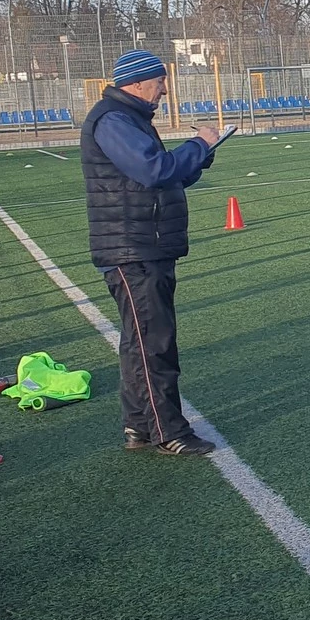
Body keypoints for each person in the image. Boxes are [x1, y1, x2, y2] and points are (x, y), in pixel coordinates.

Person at [79, 48, 220, 456]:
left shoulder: (128, 118)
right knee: (153, 343)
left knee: (140, 341)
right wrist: (199, 143)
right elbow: (154, 170)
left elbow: (165, 175)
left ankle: (139, 425)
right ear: (138, 83)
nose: (164, 90)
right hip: (133, 248)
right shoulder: (114, 120)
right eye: (159, 82)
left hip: (143, 244)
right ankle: (168, 431)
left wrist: (201, 153)